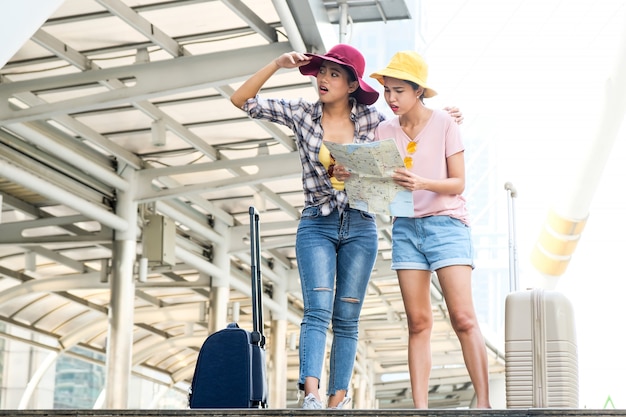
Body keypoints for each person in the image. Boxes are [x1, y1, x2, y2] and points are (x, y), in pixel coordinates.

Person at [230, 44, 463, 409]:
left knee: (347, 317)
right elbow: (242, 100)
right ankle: (311, 395)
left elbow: (412, 122)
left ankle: (338, 399)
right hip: (316, 224)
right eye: (322, 72)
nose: (324, 78)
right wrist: (277, 63)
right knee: (317, 309)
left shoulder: (372, 121)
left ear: (353, 84)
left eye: (334, 74)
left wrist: (445, 117)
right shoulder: (302, 113)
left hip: (360, 225)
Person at [368, 51, 492, 409]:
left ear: (418, 90)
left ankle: (483, 404)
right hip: (406, 228)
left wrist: (422, 182)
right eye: (387, 90)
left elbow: (459, 184)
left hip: (447, 225)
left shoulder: (445, 124)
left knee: (463, 318)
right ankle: (420, 409)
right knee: (418, 323)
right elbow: (382, 183)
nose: (391, 98)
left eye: (398, 91)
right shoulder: (383, 130)